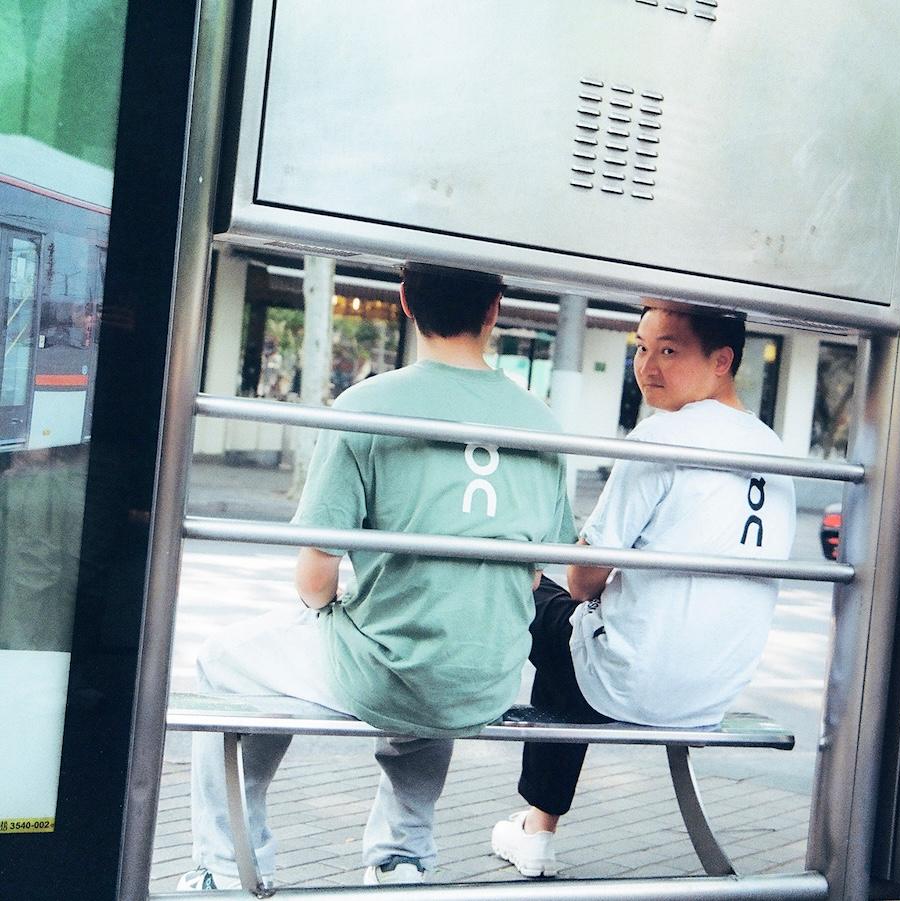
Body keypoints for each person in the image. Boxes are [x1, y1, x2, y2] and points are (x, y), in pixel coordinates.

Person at [178, 262, 575, 891]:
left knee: (226, 663)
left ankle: (227, 867)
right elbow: (532, 575)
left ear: (405, 302)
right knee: (439, 640)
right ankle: (401, 857)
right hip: (487, 675)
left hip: (392, 670)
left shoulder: (366, 406)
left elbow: (314, 580)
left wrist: (336, 609)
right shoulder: (541, 422)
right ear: (494, 309)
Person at [491, 301, 797, 877]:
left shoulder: (664, 435)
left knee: (526, 590)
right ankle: (536, 826)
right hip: (712, 692)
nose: (647, 366)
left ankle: (537, 825)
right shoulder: (772, 448)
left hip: (634, 682)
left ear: (722, 360)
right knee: (577, 637)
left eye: (669, 350)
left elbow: (582, 580)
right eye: (641, 347)